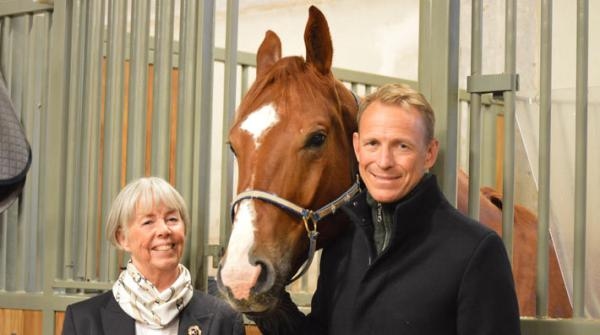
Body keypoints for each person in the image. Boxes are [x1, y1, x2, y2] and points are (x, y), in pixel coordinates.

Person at [249, 83, 521, 334]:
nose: (384, 161)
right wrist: (268, 304)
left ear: (429, 153)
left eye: (402, 146)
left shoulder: (475, 250)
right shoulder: (341, 245)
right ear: (357, 148)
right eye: (373, 144)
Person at [62, 177, 245, 335]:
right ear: (122, 238)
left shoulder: (224, 319)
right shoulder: (83, 320)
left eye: (172, 219)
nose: (164, 230)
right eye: (148, 222)